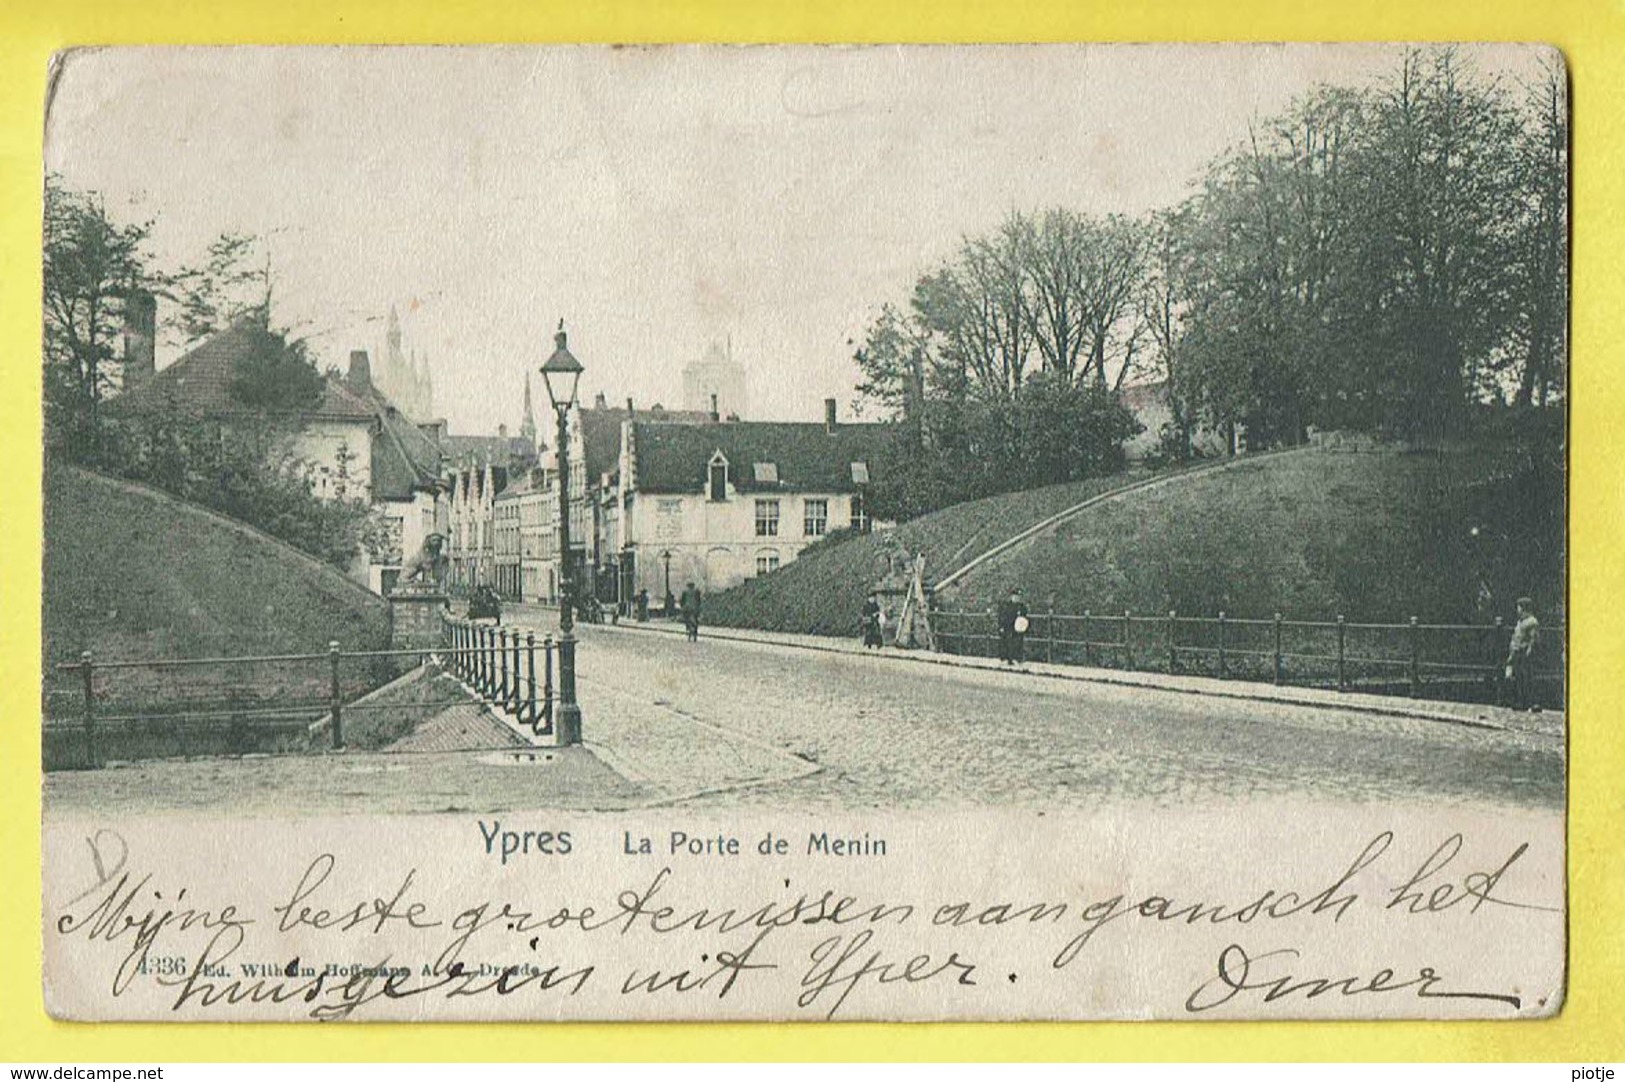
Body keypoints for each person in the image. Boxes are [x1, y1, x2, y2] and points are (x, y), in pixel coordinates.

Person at [1505, 597, 1541, 711]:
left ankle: (1529, 702)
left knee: (1526, 678)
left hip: (1524, 652)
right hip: (1517, 652)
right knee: (1518, 678)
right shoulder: (1520, 622)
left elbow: (1533, 638)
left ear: (1524, 608)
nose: (1517, 610)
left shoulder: (1531, 622)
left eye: (1519, 607)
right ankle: (1519, 701)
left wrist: (1529, 650)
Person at [997, 587, 1029, 667]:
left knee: (1018, 643)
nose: (1017, 598)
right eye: (1015, 596)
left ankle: (1018, 659)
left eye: (1018, 596)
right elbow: (1003, 616)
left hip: (1018, 628)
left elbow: (1024, 617)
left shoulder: (1022, 607)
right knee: (1008, 642)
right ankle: (1007, 659)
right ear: (1012, 596)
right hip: (1008, 627)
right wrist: (1002, 626)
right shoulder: (1007, 606)